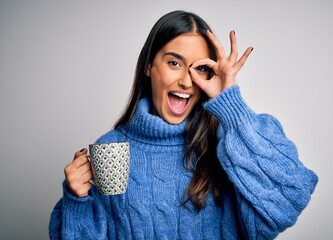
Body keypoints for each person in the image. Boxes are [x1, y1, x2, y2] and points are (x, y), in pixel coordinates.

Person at [49, 10, 318, 239]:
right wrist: (77, 200)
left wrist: (231, 106)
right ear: (149, 66)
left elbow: (287, 204)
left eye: (200, 68)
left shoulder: (229, 141)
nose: (187, 82)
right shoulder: (111, 150)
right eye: (174, 63)